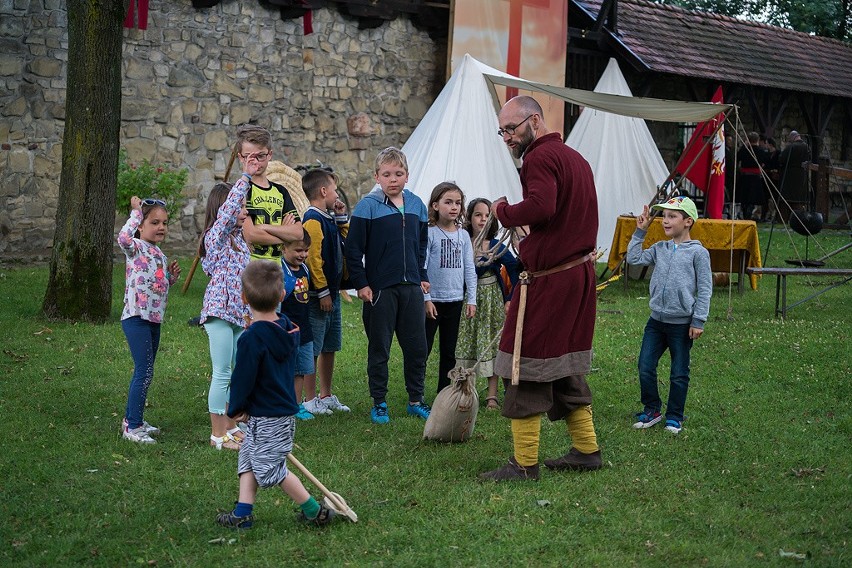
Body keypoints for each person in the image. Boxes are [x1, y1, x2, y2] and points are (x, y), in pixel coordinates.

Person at [479, 96, 602, 481]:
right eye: (502, 131)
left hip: (552, 280)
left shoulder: (539, 158)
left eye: (511, 129)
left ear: (534, 121)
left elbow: (541, 207)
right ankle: (586, 450)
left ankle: (524, 464)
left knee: (525, 362)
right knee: (561, 362)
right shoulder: (574, 158)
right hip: (576, 276)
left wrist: (503, 211)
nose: (506, 137)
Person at [215, 260, 336, 529]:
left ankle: (315, 511)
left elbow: (243, 379)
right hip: (272, 410)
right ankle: (243, 513)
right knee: (247, 455)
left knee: (272, 469)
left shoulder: (251, 339)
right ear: (282, 296)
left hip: (270, 414)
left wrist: (235, 409)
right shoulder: (287, 328)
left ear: (243, 297)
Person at [344, 147, 432, 424]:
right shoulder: (367, 206)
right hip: (380, 290)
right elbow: (353, 249)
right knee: (379, 348)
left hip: (411, 289)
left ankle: (416, 399)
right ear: (377, 177)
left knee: (417, 348)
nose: (393, 179)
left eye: (398, 173)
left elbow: (421, 246)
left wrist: (422, 274)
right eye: (386, 174)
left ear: (407, 175)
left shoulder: (417, 204)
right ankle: (379, 402)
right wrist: (361, 283)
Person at [627, 197, 712, 434]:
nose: (665, 220)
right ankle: (652, 410)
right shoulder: (659, 248)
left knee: (678, 373)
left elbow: (705, 288)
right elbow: (633, 259)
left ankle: (674, 416)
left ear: (688, 221)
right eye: (664, 216)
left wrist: (698, 320)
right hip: (656, 322)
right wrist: (640, 232)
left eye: (672, 216)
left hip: (682, 325)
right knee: (645, 366)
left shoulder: (699, 253)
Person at [118, 196, 181, 444]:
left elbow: (157, 286)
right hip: (136, 318)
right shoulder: (134, 246)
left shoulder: (159, 255)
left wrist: (171, 279)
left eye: (164, 223)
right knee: (143, 371)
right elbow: (122, 238)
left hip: (154, 320)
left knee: (147, 371)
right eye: (155, 222)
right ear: (141, 226)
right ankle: (132, 427)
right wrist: (135, 212)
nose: (161, 227)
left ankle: (135, 418)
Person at [199, 177, 254, 450]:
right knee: (222, 372)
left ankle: (231, 425)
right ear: (226, 209)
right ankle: (217, 435)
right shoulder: (216, 237)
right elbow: (226, 214)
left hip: (237, 315)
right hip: (219, 313)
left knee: (236, 372)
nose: (245, 211)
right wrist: (246, 177)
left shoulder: (240, 241)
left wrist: (248, 313)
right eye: (240, 206)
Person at [456, 197, 519, 410]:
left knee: (492, 346)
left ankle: (492, 395)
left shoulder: (494, 245)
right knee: (468, 343)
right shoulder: (462, 241)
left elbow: (514, 268)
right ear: (469, 217)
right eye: (478, 215)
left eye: (487, 216)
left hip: (491, 299)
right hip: (468, 300)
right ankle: (465, 392)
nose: (482, 220)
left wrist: (510, 298)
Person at [300, 169, 351, 416]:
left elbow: (344, 245)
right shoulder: (312, 219)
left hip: (333, 292)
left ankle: (326, 394)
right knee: (314, 347)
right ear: (323, 191)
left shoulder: (328, 217)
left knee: (330, 345)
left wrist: (341, 219)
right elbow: (313, 259)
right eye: (334, 190)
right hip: (319, 297)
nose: (336, 194)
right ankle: (309, 399)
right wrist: (322, 291)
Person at [423, 182, 477, 394]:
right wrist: (426, 298)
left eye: (458, 203)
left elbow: (469, 269)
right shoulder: (430, 233)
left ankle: (443, 393)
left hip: (454, 301)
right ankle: (416, 394)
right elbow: (423, 268)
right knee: (423, 350)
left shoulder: (463, 235)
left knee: (449, 351)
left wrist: (471, 299)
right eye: (448, 202)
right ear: (436, 205)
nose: (454, 207)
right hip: (432, 302)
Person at [233, 125, 303, 260]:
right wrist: (284, 236)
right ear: (241, 157)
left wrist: (263, 227)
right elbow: (250, 234)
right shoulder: (240, 191)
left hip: (277, 269)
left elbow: (298, 233)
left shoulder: (281, 192)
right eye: (249, 157)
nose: (255, 162)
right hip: (249, 269)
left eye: (261, 156)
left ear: (270, 154)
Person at [279, 230, 316, 421]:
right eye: (298, 250)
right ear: (284, 248)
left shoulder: (305, 269)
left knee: (300, 370)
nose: (302, 254)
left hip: (304, 328)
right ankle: (284, 404)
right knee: (286, 369)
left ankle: (296, 405)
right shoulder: (279, 270)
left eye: (306, 250)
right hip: (286, 329)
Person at [777, 130, 810, 223]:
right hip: (801, 176)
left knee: (786, 199)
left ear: (792, 137)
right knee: (798, 200)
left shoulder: (791, 147)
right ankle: (799, 220)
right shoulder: (807, 147)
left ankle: (783, 219)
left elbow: (781, 159)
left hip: (789, 177)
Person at [736, 131, 769, 221]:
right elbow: (765, 162)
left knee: (745, 197)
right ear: (757, 140)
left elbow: (737, 158)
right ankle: (750, 213)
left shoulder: (744, 150)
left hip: (745, 177)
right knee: (752, 197)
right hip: (755, 177)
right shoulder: (761, 151)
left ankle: (745, 212)